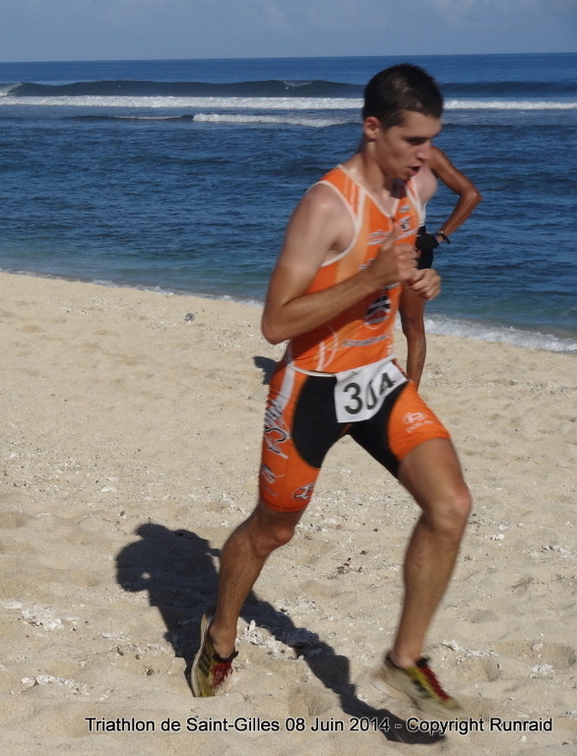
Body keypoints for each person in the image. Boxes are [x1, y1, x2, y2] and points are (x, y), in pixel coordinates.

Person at [190, 65, 473, 719]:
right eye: (413, 141)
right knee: (272, 532)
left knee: (451, 505)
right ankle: (222, 632)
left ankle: (404, 659)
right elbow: (276, 323)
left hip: (376, 378)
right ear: (372, 128)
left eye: (432, 140)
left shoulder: (418, 187)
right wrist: (373, 276)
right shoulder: (326, 206)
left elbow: (399, 270)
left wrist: (418, 284)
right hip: (311, 390)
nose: (426, 156)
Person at [400, 146, 482, 385]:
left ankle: (411, 395)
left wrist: (438, 237)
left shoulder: (429, 154)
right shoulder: (376, 150)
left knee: (411, 326)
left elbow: (471, 194)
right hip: (376, 242)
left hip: (415, 245)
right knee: (367, 320)